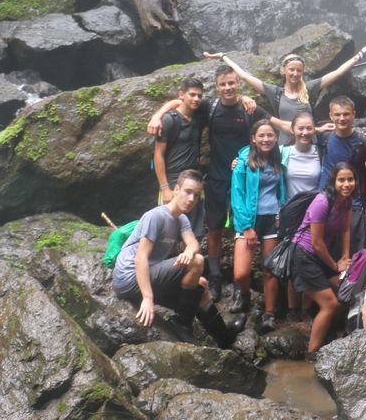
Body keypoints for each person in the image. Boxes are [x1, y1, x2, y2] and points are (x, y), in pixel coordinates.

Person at [147, 64, 270, 300]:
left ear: (238, 83)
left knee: (241, 227)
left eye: (232, 83)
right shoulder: (208, 106)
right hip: (214, 176)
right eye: (223, 84)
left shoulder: (248, 108)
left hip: (242, 177)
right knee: (213, 227)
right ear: (217, 86)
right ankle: (212, 278)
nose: (228, 87)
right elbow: (179, 102)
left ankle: (238, 281)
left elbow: (271, 124)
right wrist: (157, 114)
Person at [111, 170, 244, 348]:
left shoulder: (181, 219)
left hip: (149, 275)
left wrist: (189, 251)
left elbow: (193, 244)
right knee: (197, 262)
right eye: (187, 192)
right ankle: (182, 324)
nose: (191, 199)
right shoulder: (156, 216)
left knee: (201, 284)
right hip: (129, 278)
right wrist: (148, 298)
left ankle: (223, 337)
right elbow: (140, 258)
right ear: (176, 190)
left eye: (196, 196)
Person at [204, 40, 366, 143]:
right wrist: (223, 56)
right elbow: (243, 75)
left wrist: (361, 54)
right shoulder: (275, 92)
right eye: (291, 69)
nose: (295, 73)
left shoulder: (310, 88)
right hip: (284, 146)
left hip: (310, 144)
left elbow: (338, 72)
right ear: (284, 71)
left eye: (299, 70)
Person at [291, 162, 357, 358]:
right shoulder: (322, 202)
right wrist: (336, 266)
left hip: (323, 254)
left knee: (346, 288)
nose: (346, 184)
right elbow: (316, 242)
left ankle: (335, 334)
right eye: (342, 180)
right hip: (304, 254)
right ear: (333, 181)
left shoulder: (346, 201)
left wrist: (346, 256)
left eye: (350, 179)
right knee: (330, 304)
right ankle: (311, 355)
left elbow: (345, 229)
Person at [230, 120, 286, 332]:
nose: (266, 139)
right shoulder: (243, 162)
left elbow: (282, 190)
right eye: (261, 136)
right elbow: (238, 195)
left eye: (270, 135)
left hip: (273, 218)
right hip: (249, 221)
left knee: (269, 269)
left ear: (275, 138)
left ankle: (269, 313)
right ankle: (244, 295)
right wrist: (246, 227)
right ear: (253, 138)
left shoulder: (278, 157)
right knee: (241, 274)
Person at [316, 96, 366, 256]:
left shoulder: (365, 142)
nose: (342, 118)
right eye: (337, 114)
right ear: (331, 116)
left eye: (346, 114)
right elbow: (299, 132)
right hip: (326, 202)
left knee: (354, 254)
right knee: (325, 251)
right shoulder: (323, 137)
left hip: (353, 204)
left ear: (354, 114)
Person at [280, 111, 323, 320]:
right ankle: (291, 309)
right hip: (290, 213)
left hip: (314, 213)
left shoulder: (320, 151)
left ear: (314, 129)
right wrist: (238, 161)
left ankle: (306, 309)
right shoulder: (282, 152)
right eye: (301, 128)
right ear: (293, 130)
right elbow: (256, 156)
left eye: (309, 128)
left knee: (311, 260)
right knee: (292, 261)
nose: (305, 132)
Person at [152, 77, 207, 240]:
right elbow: (158, 155)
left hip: (194, 179)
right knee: (167, 232)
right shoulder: (169, 120)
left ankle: (191, 263)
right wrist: (165, 187)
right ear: (181, 95)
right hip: (173, 181)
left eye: (199, 95)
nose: (196, 99)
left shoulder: (199, 116)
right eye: (192, 95)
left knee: (194, 230)